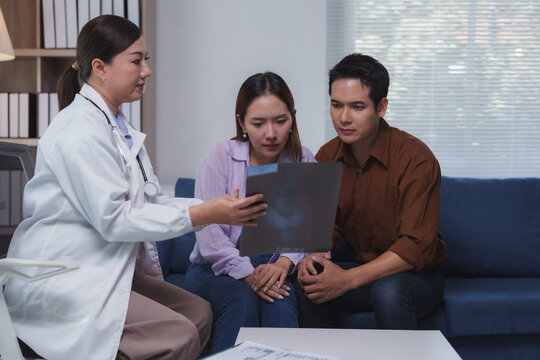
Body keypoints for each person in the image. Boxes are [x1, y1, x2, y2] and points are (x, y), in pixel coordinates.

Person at [4, 15, 266, 360]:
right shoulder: (78, 131)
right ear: (100, 67)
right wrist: (204, 212)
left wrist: (207, 207)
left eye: (147, 60)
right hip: (64, 276)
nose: (147, 70)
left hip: (99, 267)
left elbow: (146, 203)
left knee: (199, 313)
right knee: (178, 334)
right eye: (136, 60)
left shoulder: (114, 126)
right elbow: (115, 219)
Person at [295, 53, 447, 330]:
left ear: (381, 107)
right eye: (336, 105)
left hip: (414, 277)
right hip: (360, 270)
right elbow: (323, 229)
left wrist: (348, 280)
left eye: (357, 106)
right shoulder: (327, 156)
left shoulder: (416, 159)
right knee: (308, 282)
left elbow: (414, 246)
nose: (344, 118)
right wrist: (312, 256)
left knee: (387, 291)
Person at [186, 72, 315, 354]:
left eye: (281, 121)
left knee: (279, 303)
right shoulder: (220, 156)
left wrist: (282, 265)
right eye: (258, 123)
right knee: (241, 299)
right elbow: (208, 237)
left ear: (293, 117)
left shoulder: (303, 159)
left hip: (274, 268)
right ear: (241, 122)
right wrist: (249, 275)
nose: (271, 133)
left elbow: (305, 230)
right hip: (214, 269)